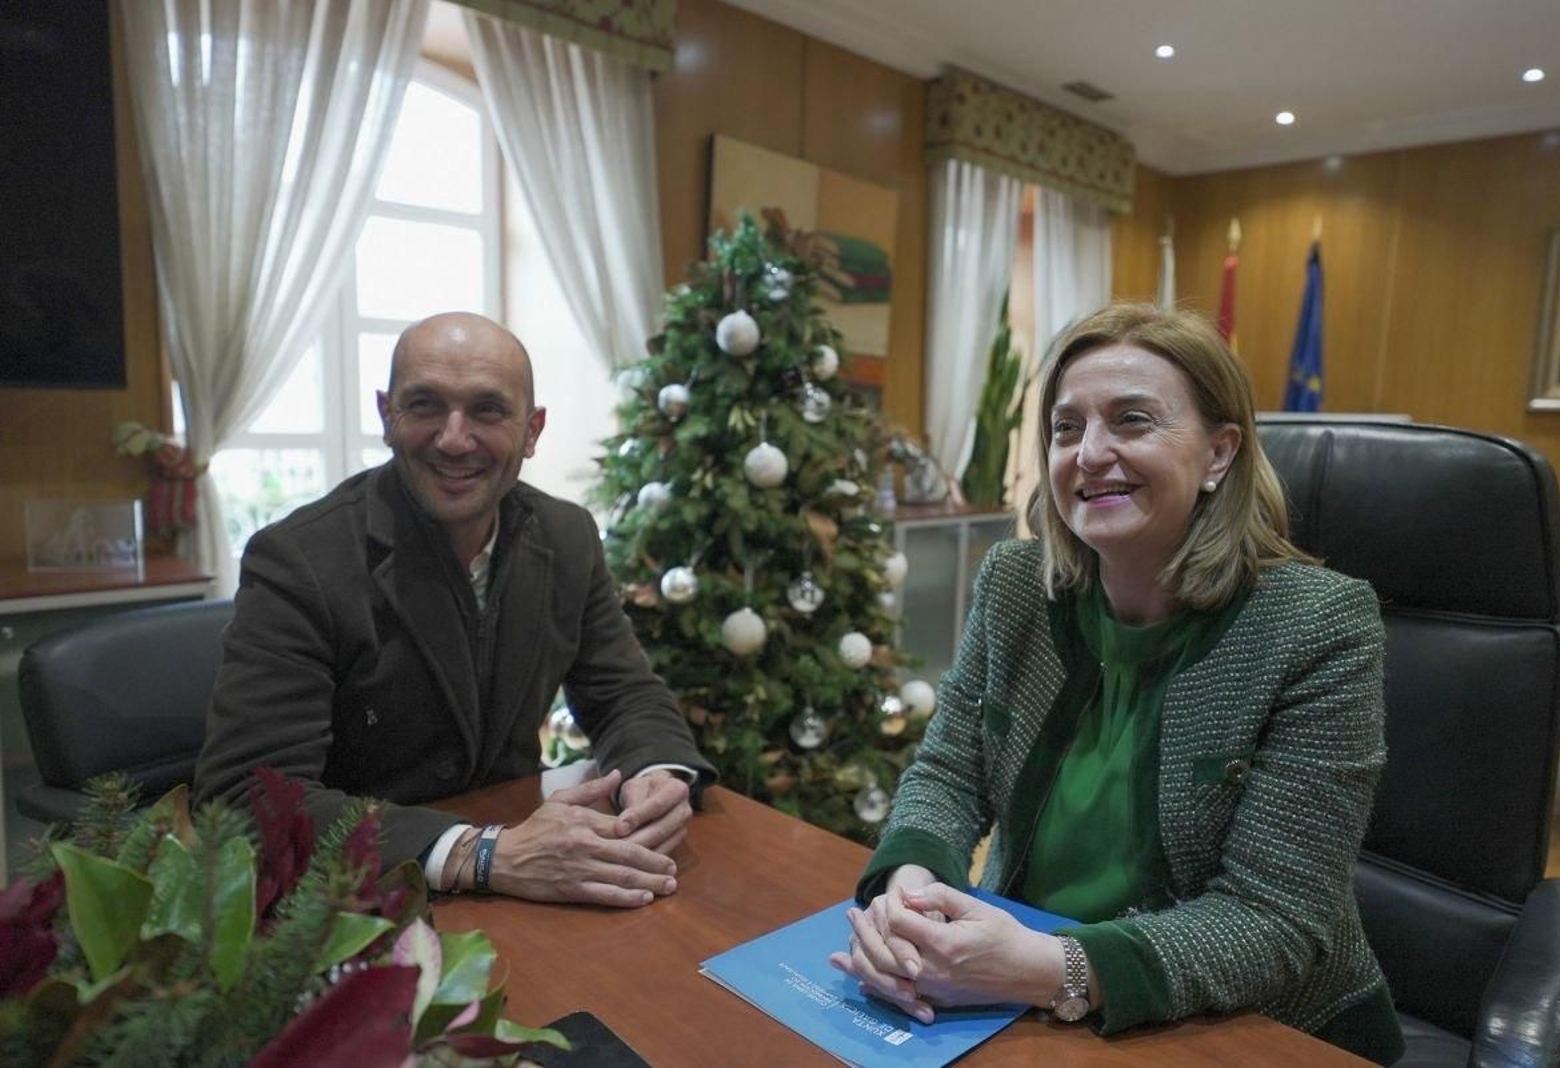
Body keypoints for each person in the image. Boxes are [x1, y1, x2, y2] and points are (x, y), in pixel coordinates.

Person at [831, 303, 1403, 1065]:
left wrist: (1048, 968)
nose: (1089, 453)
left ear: (1219, 454)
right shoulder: (1014, 585)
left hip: (1242, 1027)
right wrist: (908, 899)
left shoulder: (1319, 627)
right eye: (1066, 429)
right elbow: (947, 773)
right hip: (1010, 993)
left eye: (1132, 421)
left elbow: (1274, 918)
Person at [195, 311, 714, 907]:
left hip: (530, 879)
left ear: (532, 430)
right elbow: (247, 797)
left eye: (488, 410)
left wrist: (659, 773)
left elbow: (625, 694)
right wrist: (481, 853)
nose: (453, 438)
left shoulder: (567, 535)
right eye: (425, 406)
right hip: (359, 899)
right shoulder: (298, 560)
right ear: (387, 416)